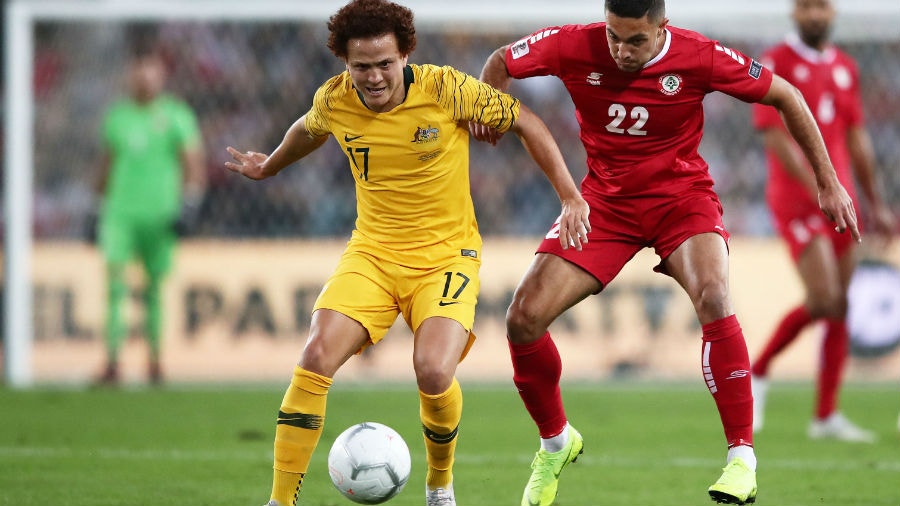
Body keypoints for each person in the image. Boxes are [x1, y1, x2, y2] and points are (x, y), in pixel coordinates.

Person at [471, 0, 860, 504]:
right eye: (614, 37)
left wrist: (828, 182)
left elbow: (786, 95)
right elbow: (502, 59)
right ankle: (556, 442)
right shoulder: (574, 44)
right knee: (522, 317)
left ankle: (742, 459)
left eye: (636, 41)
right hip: (605, 205)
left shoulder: (699, 56)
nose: (621, 50)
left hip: (683, 200)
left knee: (715, 296)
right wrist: (489, 105)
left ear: (662, 29)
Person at [224, 1, 590, 505]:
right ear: (345, 64)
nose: (373, 77)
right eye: (361, 67)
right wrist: (270, 167)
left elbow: (529, 123)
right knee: (314, 356)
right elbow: (308, 130)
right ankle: (280, 501)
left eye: (384, 64)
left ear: (405, 55)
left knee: (434, 371)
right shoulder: (335, 99)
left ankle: (439, 486)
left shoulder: (446, 89)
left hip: (446, 257)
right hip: (372, 255)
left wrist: (570, 196)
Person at [749, 0, 896, 443]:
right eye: (806, 7)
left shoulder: (845, 67)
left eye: (822, 7)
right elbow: (774, 134)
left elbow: (856, 137)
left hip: (843, 200)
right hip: (797, 200)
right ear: (794, 13)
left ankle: (826, 416)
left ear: (832, 13)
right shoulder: (776, 62)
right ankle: (756, 371)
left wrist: (877, 201)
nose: (815, 15)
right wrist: (820, 184)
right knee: (825, 298)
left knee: (841, 307)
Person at [91, 50, 207, 385]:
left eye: (151, 69)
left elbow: (193, 163)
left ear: (161, 74)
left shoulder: (175, 115)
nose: (145, 76)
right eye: (139, 69)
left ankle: (155, 363)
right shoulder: (118, 116)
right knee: (115, 283)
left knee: (155, 287)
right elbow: (105, 166)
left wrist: (190, 204)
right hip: (120, 214)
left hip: (161, 215)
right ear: (131, 73)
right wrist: (95, 205)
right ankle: (112, 362)